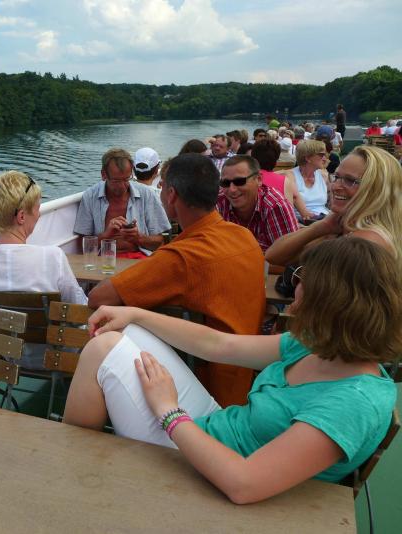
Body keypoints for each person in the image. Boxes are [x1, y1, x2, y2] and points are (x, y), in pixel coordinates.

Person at [64, 237, 400, 503]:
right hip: (213, 429)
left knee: (101, 350)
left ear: (330, 299)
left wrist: (168, 411)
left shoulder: (354, 402)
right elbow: (219, 345)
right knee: (123, 331)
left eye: (303, 277)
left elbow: (244, 484)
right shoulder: (318, 346)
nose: (295, 283)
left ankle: (70, 471)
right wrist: (135, 314)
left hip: (207, 467)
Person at [87, 154, 265, 407]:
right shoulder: (244, 237)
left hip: (205, 395)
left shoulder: (182, 257)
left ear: (171, 195)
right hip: (248, 383)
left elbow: (97, 298)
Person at [0, 171, 87, 367]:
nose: (39, 214)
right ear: (22, 216)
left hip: (6, 358)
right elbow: (80, 311)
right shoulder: (52, 257)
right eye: (37, 209)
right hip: (55, 358)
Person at [266, 145, 402, 267]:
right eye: (336, 177)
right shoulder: (341, 228)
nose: (335, 186)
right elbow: (273, 256)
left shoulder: (364, 243)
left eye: (350, 180)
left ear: (378, 190)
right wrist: (321, 226)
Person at [74, 148, 170, 254]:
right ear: (103, 174)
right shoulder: (90, 196)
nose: (122, 186)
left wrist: (138, 238)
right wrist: (106, 235)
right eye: (116, 181)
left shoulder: (146, 194)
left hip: (139, 258)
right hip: (103, 259)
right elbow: (81, 246)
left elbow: (160, 241)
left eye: (126, 179)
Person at [216, 155, 298, 252]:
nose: (232, 189)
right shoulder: (217, 202)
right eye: (225, 183)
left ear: (259, 180)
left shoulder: (275, 205)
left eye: (239, 181)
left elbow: (289, 254)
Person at [281, 139, 330, 223]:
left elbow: (332, 201)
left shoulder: (323, 175)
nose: (325, 159)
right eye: (321, 155)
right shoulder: (290, 176)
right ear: (308, 158)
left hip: (324, 218)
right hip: (304, 221)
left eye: (325, 155)